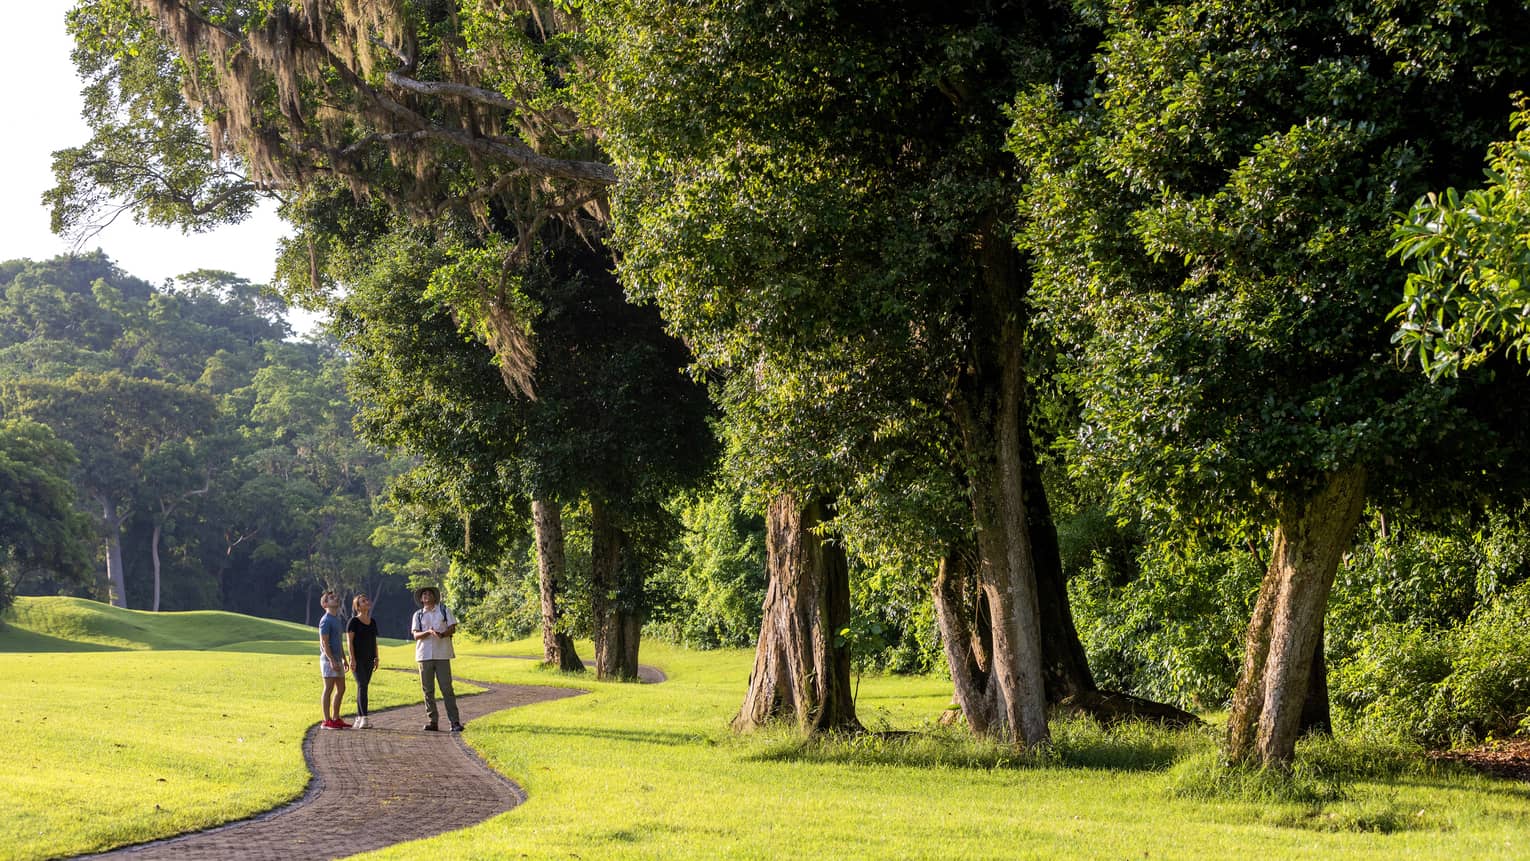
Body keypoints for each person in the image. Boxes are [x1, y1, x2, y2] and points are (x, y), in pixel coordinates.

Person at [411, 585, 463, 732]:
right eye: (424, 594)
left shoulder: (444, 610)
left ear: (435, 597)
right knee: (428, 690)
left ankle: (454, 721)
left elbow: (453, 627)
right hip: (424, 655)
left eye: (429, 594)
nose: (426, 596)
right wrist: (428, 632)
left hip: (442, 654)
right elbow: (415, 635)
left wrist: (442, 634)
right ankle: (432, 721)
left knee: (447, 688)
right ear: (421, 599)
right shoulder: (418, 615)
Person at [346, 593, 381, 729]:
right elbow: (350, 642)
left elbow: (374, 641)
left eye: (367, 600)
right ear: (358, 606)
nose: (367, 602)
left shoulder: (372, 622)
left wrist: (376, 657)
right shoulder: (353, 622)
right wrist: (352, 659)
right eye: (363, 601)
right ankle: (364, 718)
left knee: (363, 687)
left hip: (369, 659)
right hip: (358, 659)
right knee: (362, 685)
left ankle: (359, 718)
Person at [318, 590, 350, 729]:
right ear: (325, 604)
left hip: (337, 658)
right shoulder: (325, 620)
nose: (335, 599)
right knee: (329, 688)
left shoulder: (337, 620)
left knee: (341, 688)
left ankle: (336, 718)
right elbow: (324, 642)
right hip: (328, 660)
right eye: (331, 598)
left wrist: (343, 658)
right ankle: (326, 720)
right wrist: (331, 660)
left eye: (335, 597)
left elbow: (338, 641)